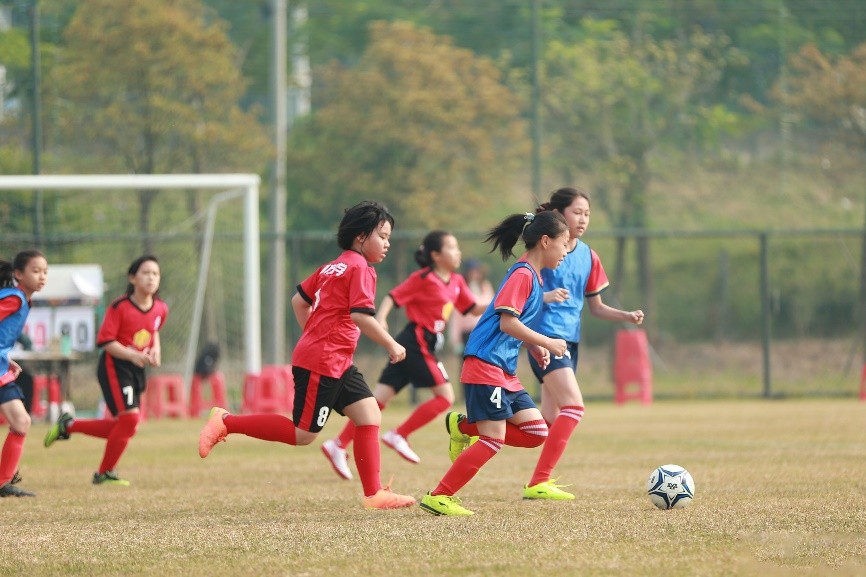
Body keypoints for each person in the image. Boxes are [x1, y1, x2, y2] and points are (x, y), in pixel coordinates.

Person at [198, 200, 415, 510]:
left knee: (369, 415)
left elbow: (298, 301)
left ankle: (374, 494)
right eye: (382, 236)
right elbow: (361, 316)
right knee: (303, 434)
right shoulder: (360, 268)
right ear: (361, 237)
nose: (387, 244)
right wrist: (391, 344)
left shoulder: (333, 266)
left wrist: (314, 335)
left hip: (333, 359)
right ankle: (226, 421)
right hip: (323, 361)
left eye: (389, 237)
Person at [419, 210, 570, 516]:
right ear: (545, 241)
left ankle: (463, 426)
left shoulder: (534, 277)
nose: (566, 251)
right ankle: (439, 496)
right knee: (493, 439)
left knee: (536, 432)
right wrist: (546, 342)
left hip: (504, 369)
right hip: (485, 363)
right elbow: (505, 323)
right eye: (564, 243)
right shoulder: (523, 274)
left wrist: (531, 344)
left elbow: (514, 323)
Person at [321, 230, 487, 480]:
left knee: (378, 399)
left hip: (423, 344)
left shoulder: (456, 281)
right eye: (452, 248)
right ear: (435, 255)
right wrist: (382, 317)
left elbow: (473, 309)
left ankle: (339, 444)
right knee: (445, 397)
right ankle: (399, 434)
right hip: (416, 340)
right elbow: (392, 297)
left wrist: (508, 303)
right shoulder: (423, 278)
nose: (458, 252)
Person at [44, 255, 167, 486]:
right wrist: (133, 354)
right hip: (115, 366)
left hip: (137, 368)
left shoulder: (161, 308)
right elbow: (106, 341)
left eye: (156, 273)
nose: (151, 277)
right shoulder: (120, 307)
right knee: (129, 421)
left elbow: (154, 330)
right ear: (132, 277)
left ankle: (68, 425)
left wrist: (155, 351)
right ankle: (104, 473)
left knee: (126, 426)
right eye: (146, 272)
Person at [0, 249, 48, 497]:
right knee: (21, 420)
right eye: (36, 270)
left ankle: (2, 483)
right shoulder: (15, 298)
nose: (42, 276)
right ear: (18, 274)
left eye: (45, 272)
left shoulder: (23, 300)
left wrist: (5, 359)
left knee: (21, 420)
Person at [448, 259, 495, 353]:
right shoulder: (463, 288)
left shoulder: (485, 287)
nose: (475, 274)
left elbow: (493, 306)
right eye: (473, 271)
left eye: (477, 271)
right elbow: (457, 316)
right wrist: (455, 339)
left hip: (485, 330)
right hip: (468, 333)